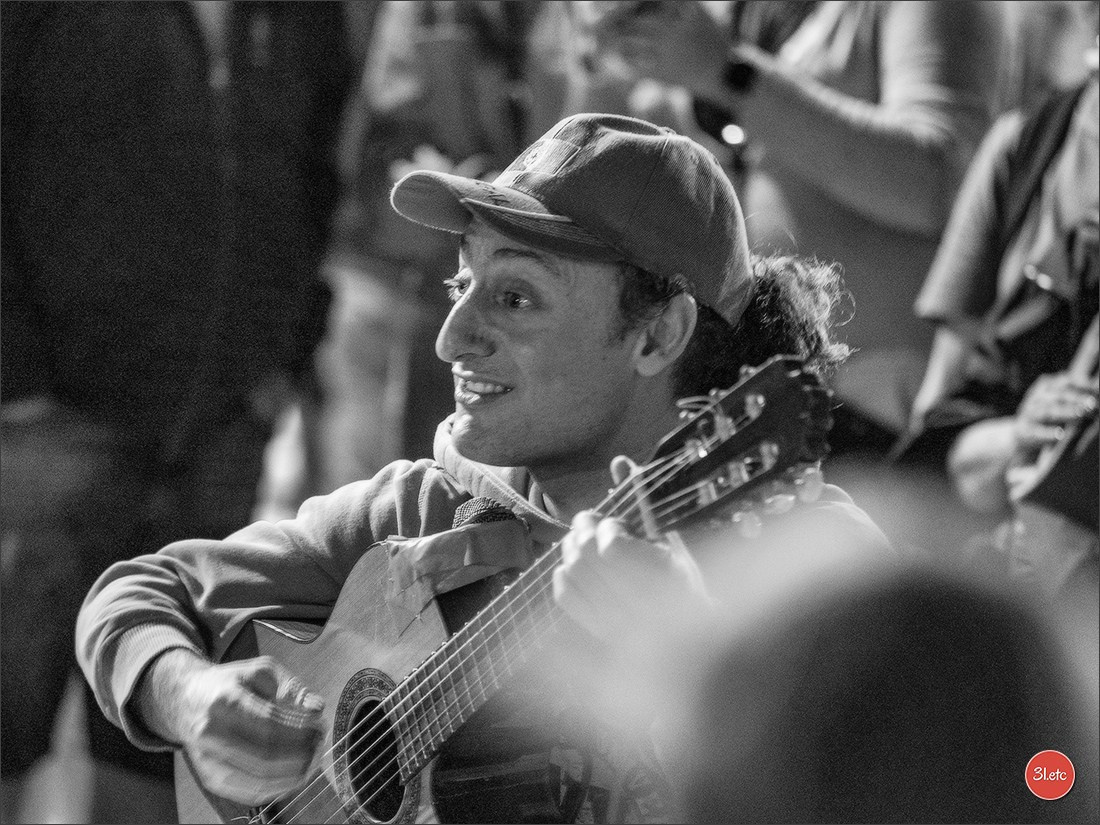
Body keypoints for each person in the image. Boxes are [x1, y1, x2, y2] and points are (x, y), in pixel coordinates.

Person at [76, 112, 890, 821]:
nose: (450, 335)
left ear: (657, 334)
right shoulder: (425, 511)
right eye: (464, 282)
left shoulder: (812, 569)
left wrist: (689, 668)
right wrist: (187, 695)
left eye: (515, 298)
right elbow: (145, 589)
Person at [0, 2, 354, 821]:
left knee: (160, 735)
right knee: (6, 716)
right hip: (44, 424)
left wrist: (281, 360)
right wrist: (15, 384)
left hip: (220, 427)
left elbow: (312, 176)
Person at [580, 0, 1010, 450]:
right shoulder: (743, 13)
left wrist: (727, 72)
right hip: (764, 397)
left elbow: (941, 185)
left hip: (883, 404)